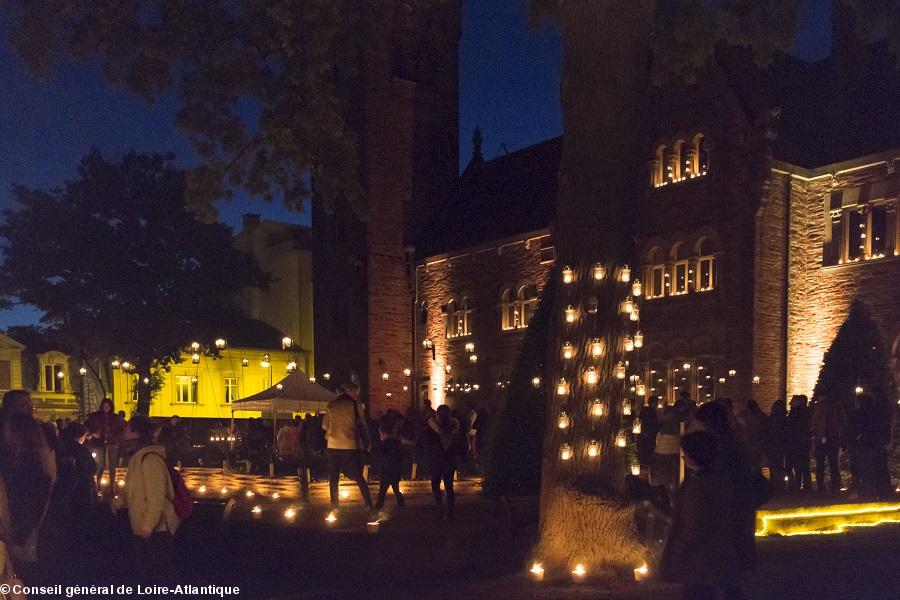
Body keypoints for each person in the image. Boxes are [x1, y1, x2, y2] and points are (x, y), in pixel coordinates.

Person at [660, 430, 741, 600]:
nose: (683, 457)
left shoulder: (697, 486)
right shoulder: (723, 479)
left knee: (698, 592)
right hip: (721, 554)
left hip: (700, 561)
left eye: (685, 453)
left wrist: (679, 549)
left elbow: (695, 526)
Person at [113, 416, 179, 584]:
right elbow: (134, 489)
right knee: (147, 577)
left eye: (127, 429)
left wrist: (147, 527)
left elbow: (156, 498)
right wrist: (120, 501)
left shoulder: (150, 460)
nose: (123, 433)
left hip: (156, 532)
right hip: (144, 530)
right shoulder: (137, 458)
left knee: (157, 578)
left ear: (137, 433)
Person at [321, 383, 373, 512]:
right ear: (349, 390)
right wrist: (367, 442)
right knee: (358, 476)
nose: (357, 394)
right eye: (356, 391)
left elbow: (324, 425)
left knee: (333, 476)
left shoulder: (331, 405)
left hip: (333, 445)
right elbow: (363, 425)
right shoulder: (355, 405)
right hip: (349, 445)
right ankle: (368, 504)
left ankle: (335, 504)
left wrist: (334, 430)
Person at [425, 405, 463, 519]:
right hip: (449, 460)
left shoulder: (431, 428)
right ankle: (450, 510)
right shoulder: (454, 427)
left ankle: (440, 508)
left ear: (437, 415)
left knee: (435, 485)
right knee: (449, 486)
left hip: (436, 460)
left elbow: (427, 443)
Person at [84, 398, 125, 492]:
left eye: (108, 406)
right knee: (100, 465)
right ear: (102, 406)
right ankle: (98, 484)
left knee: (112, 465)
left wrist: (116, 437)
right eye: (105, 406)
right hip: (99, 443)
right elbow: (86, 426)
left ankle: (112, 486)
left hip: (113, 442)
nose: (106, 408)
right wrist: (93, 434)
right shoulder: (95, 416)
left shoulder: (115, 418)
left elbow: (121, 429)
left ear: (111, 407)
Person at [812, 394, 845, 494]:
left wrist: (818, 435)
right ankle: (835, 486)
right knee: (834, 464)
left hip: (822, 438)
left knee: (820, 464)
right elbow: (842, 422)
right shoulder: (836, 406)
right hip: (833, 438)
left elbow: (816, 422)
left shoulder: (819, 406)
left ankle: (821, 487)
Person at [785, 395, 812, 493]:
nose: (790, 403)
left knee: (798, 465)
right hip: (803, 442)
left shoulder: (795, 414)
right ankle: (806, 487)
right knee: (804, 465)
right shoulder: (807, 413)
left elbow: (791, 429)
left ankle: (797, 486)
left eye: (792, 401)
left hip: (796, 442)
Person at [375, 423, 405, 510]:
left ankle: (378, 507)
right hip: (395, 470)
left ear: (384, 433)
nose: (380, 436)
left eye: (380, 434)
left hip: (386, 471)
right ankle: (401, 502)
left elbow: (382, 457)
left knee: (382, 491)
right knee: (395, 488)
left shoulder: (384, 444)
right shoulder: (397, 443)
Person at [735, 400, 767, 472]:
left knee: (753, 465)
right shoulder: (762, 416)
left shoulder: (746, 416)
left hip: (751, 444)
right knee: (757, 465)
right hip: (759, 444)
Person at [765, 399, 789, 495]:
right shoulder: (784, 418)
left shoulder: (772, 418)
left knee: (774, 467)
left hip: (773, 445)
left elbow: (768, 432)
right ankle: (780, 486)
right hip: (781, 445)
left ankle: (774, 486)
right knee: (779, 466)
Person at [636, 396, 660, 469]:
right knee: (649, 459)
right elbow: (654, 427)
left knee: (642, 459)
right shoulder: (652, 413)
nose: (657, 405)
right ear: (653, 403)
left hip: (641, 439)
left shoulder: (642, 412)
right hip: (649, 439)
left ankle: (642, 475)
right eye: (656, 403)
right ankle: (647, 476)